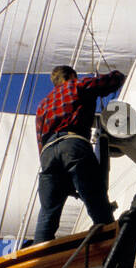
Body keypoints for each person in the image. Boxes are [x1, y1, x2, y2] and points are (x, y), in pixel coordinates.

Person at [33, 64, 125, 243]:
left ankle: (38, 260)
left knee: (47, 214)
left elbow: (39, 140)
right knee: (94, 196)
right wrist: (119, 75)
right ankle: (111, 241)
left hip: (47, 154)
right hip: (73, 144)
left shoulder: (42, 105)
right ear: (72, 75)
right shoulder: (76, 86)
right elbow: (110, 81)